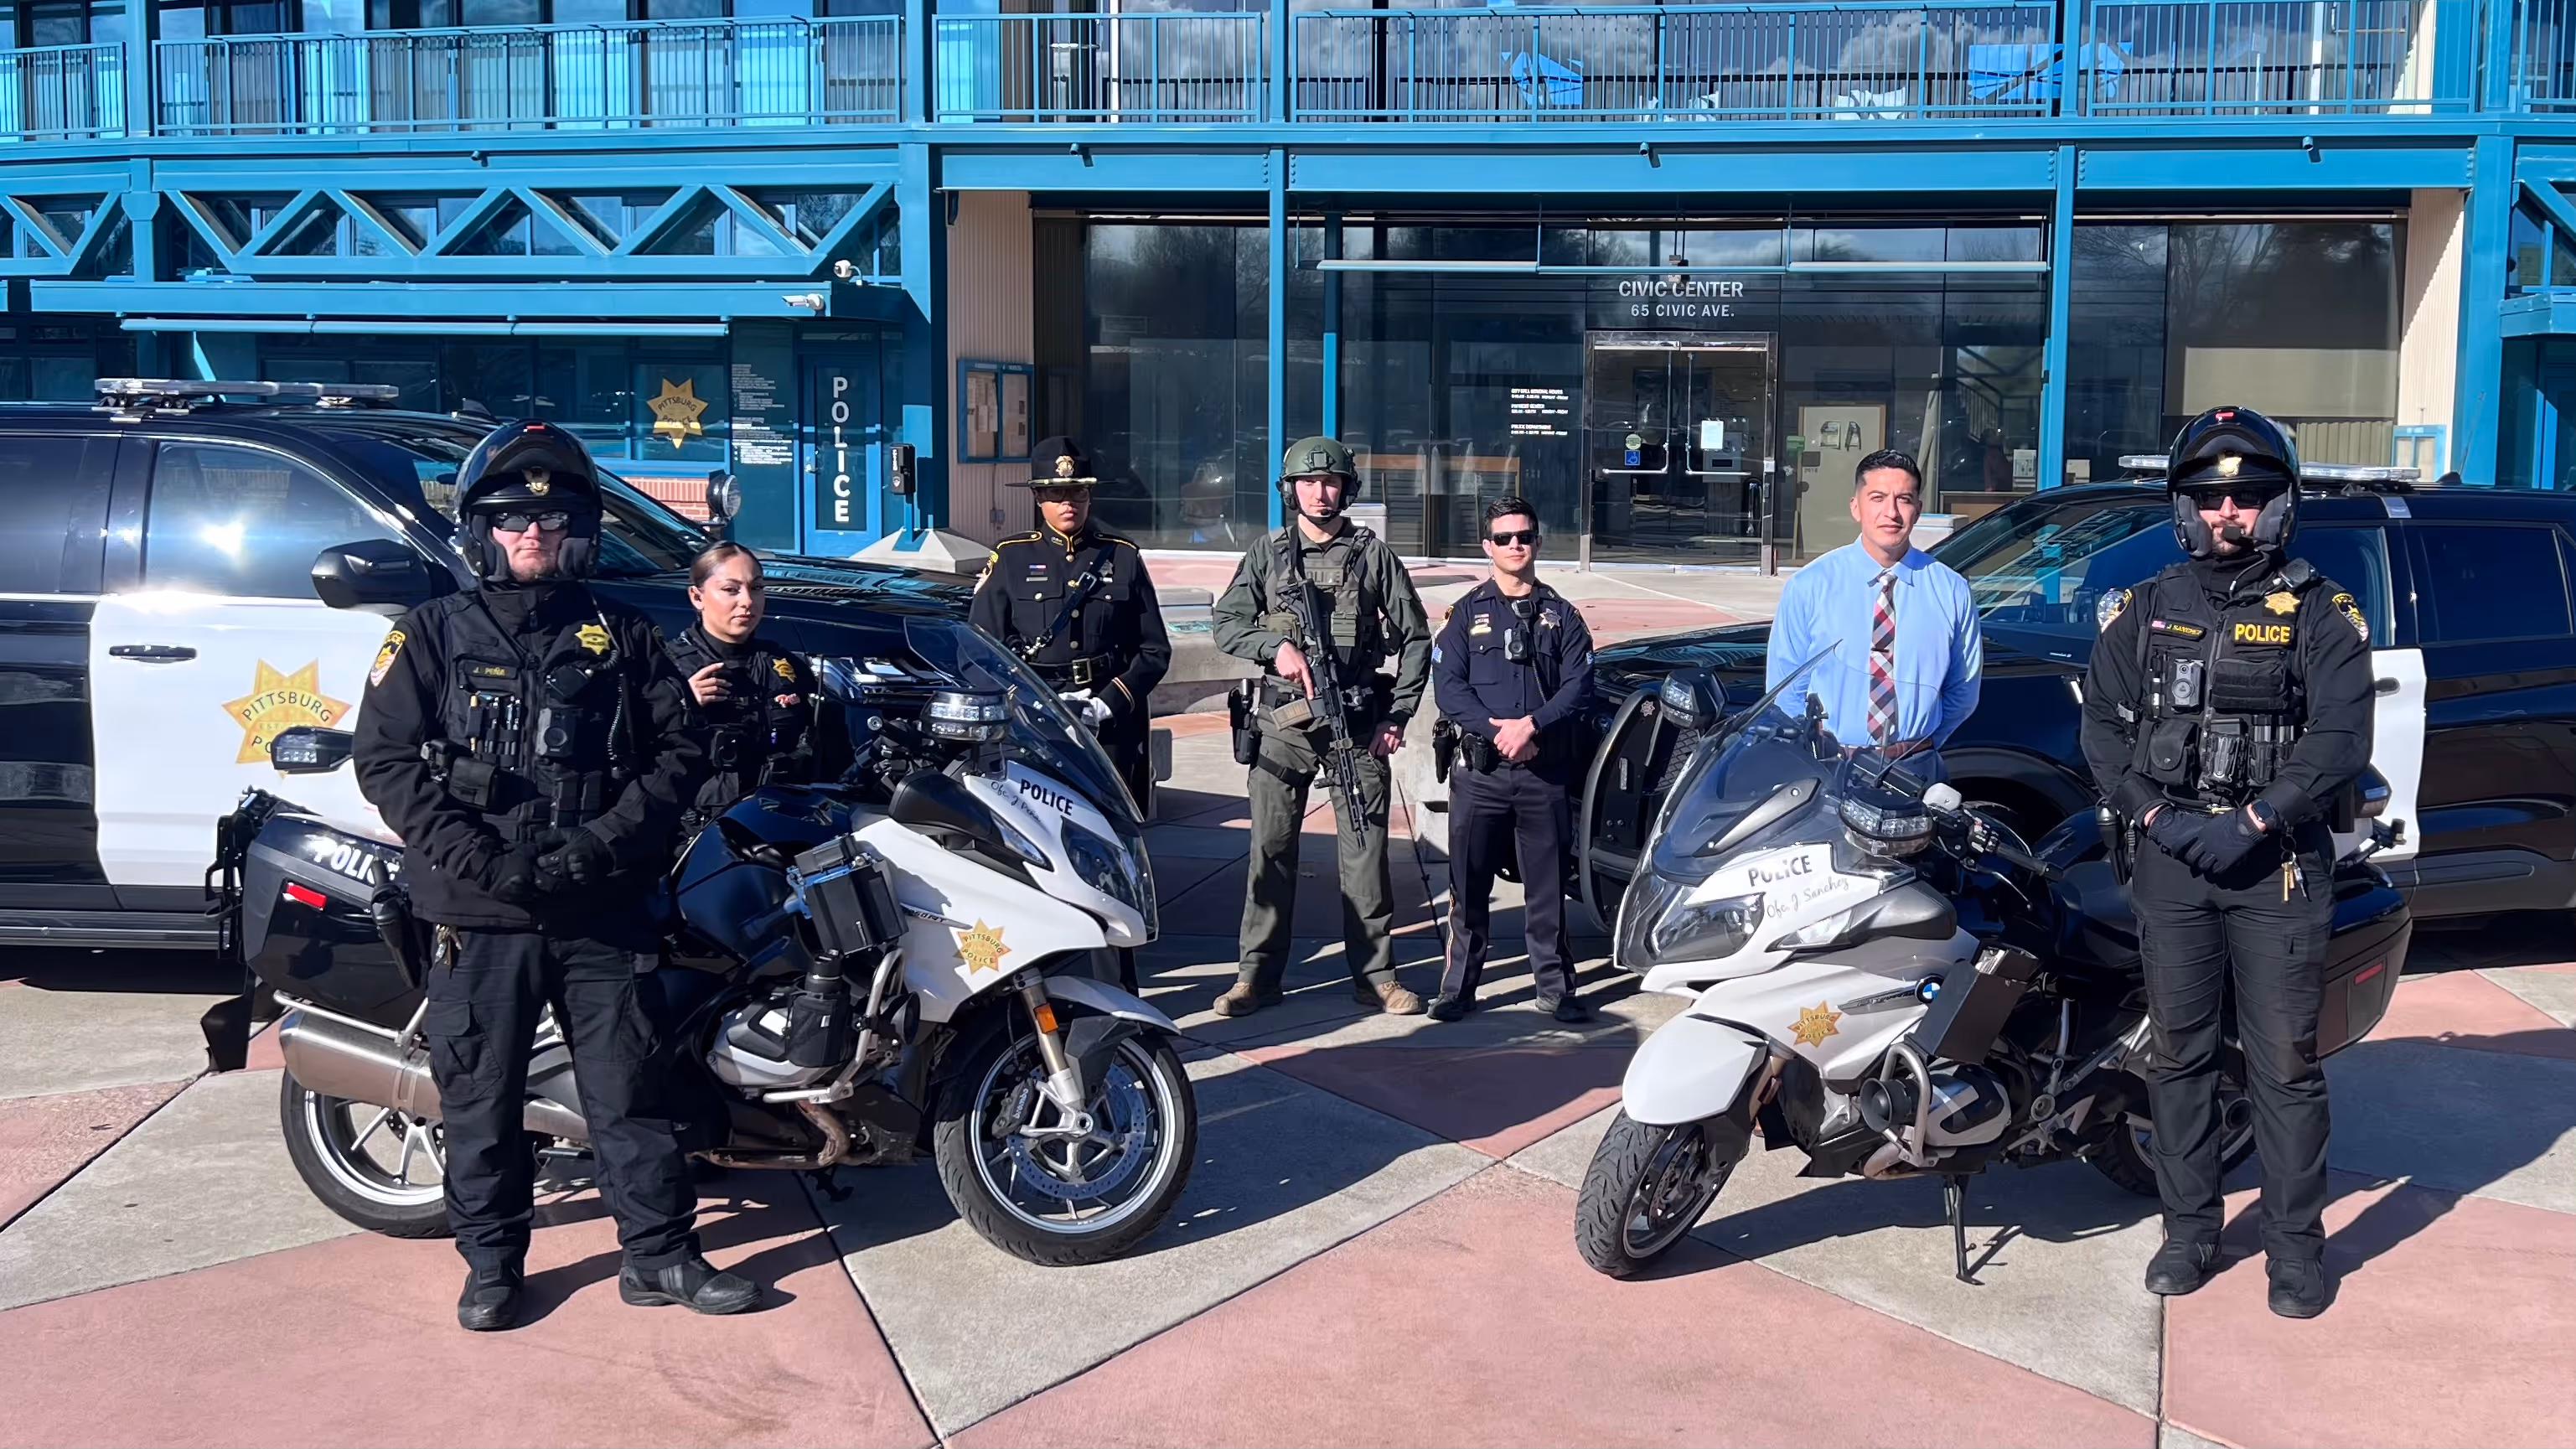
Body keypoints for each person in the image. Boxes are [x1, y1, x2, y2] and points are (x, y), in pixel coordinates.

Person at [352, 421, 756, 1333]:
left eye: (555, 519)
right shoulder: (429, 634)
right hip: (478, 912)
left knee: (629, 1088)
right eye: (511, 520)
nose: (533, 534)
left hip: (599, 906)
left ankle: (658, 1256)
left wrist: (602, 847)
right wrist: (480, 858)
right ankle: (492, 1264)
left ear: (579, 531)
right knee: (481, 1095)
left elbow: (678, 752)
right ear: (480, 530)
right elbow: (385, 763)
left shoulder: (625, 633)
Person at [2079, 405, 2373, 1320]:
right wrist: (2156, 817)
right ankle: (2188, 1229)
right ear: (2183, 508)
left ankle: (2293, 1251)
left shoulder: (2322, 611)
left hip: (2276, 871)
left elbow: (2336, 738)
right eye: (2208, 498)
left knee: (2283, 1065)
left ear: (2278, 504)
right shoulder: (2147, 605)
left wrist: (2250, 821)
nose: (2226, 513)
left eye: (2247, 496)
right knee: (2179, 1057)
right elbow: (2099, 725)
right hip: (2171, 862)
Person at [1210, 435, 1432, 1018]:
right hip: (1283, 725)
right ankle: (1256, 975)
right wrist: (1273, 646)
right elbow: (1227, 622)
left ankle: (1376, 975)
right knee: (1271, 850)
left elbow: (1416, 639)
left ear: (1346, 488)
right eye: (1309, 482)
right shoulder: (1267, 553)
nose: (1320, 491)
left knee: (1365, 850)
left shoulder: (1372, 555)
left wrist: (1398, 714)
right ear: (1292, 490)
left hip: (1356, 723)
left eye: (1330, 481)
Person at [1429, 497, 1596, 1024]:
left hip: (1542, 772)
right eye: (1503, 538)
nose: (1515, 546)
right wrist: (1495, 732)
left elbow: (1579, 686)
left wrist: (1532, 726)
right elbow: (1448, 687)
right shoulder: (1465, 614)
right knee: (1468, 886)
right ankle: (1459, 988)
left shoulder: (1563, 616)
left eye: (1523, 536)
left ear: (1537, 543)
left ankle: (1556, 987)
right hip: (1480, 773)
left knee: (1547, 890)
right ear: (1488, 547)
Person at [970, 436, 1171, 818]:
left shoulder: (1121, 556)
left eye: (1078, 492)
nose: (1069, 503)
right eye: (1058, 492)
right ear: (1037, 498)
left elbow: (1154, 650)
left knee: (1111, 823)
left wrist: (1106, 704)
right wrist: (1029, 702)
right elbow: (980, 650)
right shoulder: (1011, 557)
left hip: (1107, 718)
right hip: (1035, 718)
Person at [1765, 448, 1981, 768]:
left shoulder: (1952, 591)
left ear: (1918, 510)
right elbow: (1785, 689)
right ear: (1856, 507)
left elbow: (1963, 691)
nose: (1891, 512)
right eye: (1877, 498)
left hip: (1914, 768)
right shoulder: (1809, 585)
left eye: (1904, 499)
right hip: (1828, 767)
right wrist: (1812, 745)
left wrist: (1922, 744)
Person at [664, 541, 816, 830]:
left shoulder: (781, 663)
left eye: (756, 588)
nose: (747, 601)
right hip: (695, 832)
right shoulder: (668, 668)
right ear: (697, 597)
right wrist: (679, 705)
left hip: (778, 819)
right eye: (731, 590)